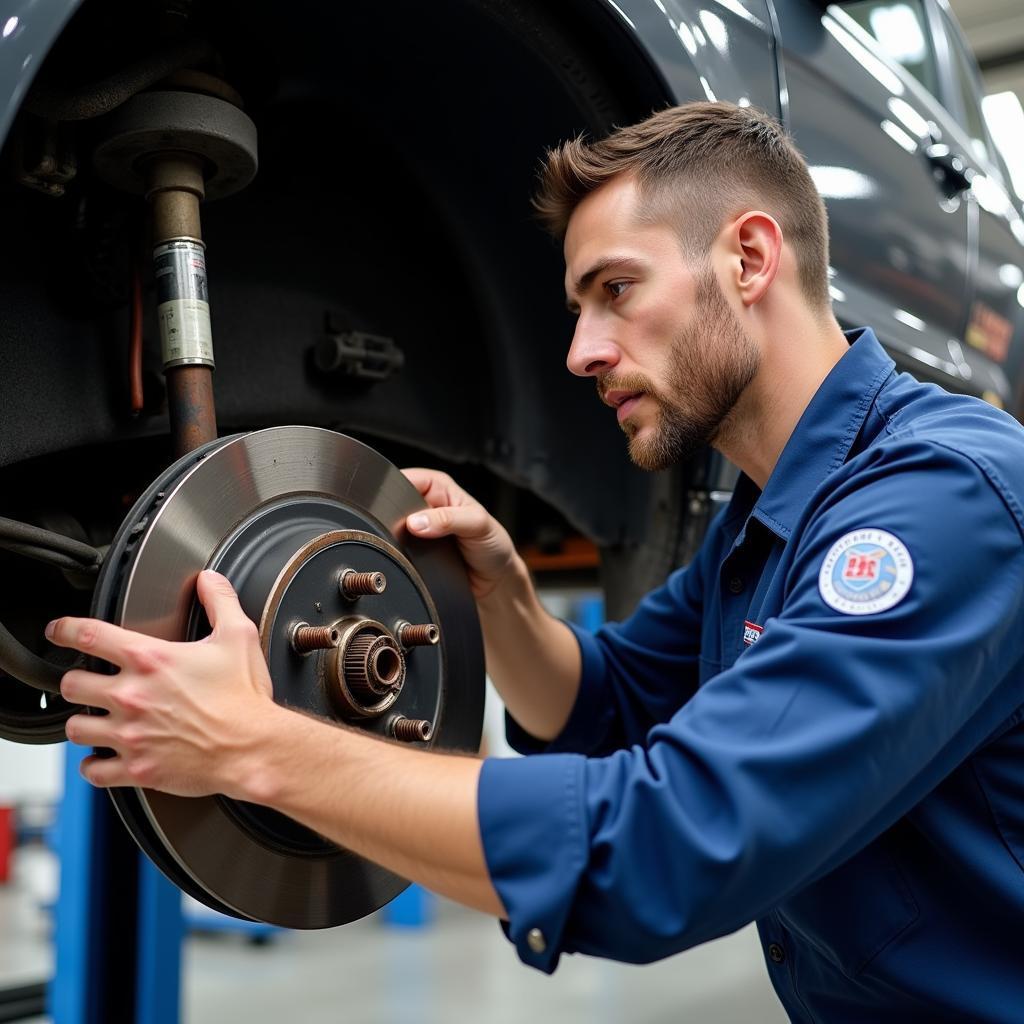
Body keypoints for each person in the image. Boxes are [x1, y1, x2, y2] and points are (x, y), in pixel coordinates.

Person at [48, 103, 1024, 1022]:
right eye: (576, 306)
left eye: (616, 289)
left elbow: (660, 852)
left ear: (749, 257)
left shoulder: (939, 501)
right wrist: (504, 602)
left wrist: (257, 743)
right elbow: (610, 701)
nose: (580, 351)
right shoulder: (767, 514)